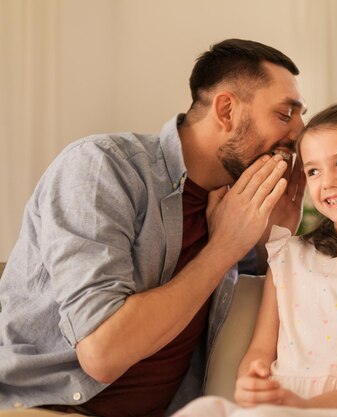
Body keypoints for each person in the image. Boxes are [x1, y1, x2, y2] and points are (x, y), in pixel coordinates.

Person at [0, 39, 307, 416]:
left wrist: (272, 242)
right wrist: (224, 247)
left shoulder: (234, 209)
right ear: (226, 110)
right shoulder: (101, 168)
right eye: (284, 114)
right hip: (45, 408)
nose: (299, 133)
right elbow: (102, 353)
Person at [173, 102, 337, 417]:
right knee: (203, 410)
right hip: (279, 404)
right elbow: (260, 351)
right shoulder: (289, 256)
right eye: (313, 170)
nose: (327, 181)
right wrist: (252, 384)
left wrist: (307, 407)